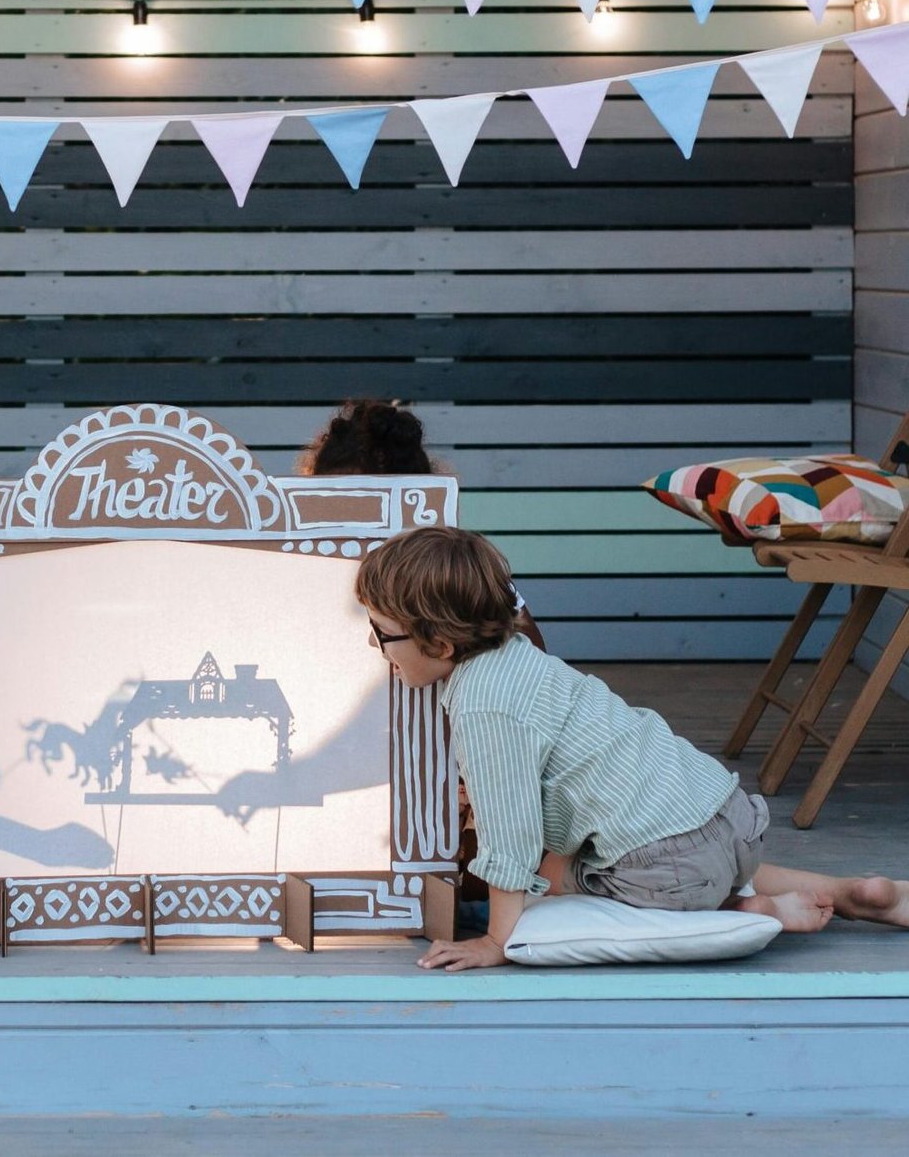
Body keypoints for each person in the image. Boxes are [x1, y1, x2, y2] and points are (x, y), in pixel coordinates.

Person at [354, 526, 909, 972]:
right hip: (727, 817)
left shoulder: (482, 704)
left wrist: (498, 940)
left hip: (669, 865)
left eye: (382, 634)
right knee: (687, 854)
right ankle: (849, 893)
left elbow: (510, 833)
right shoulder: (520, 654)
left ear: (441, 643)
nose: (375, 646)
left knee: (548, 885)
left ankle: (742, 910)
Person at [301, 398, 546, 650]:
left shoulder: (454, 569)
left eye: (368, 512)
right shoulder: (303, 569)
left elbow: (532, 654)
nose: (355, 535)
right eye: (334, 508)